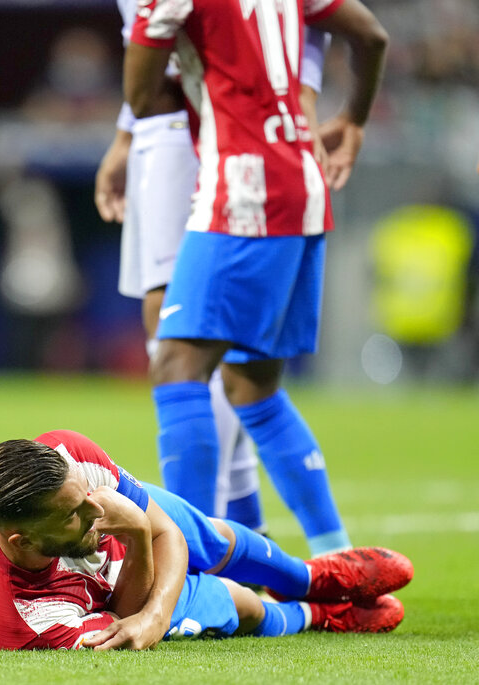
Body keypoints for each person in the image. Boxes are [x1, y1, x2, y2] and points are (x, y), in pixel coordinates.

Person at [126, 0, 388, 556]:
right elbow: (373, 36)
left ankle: (193, 566)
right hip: (302, 180)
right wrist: (355, 119)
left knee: (176, 364)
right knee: (253, 384)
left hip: (244, 187)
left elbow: (141, 99)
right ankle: (339, 560)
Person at [0, 430, 413, 650]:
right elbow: (127, 616)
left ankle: (311, 576)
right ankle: (316, 613)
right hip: (108, 594)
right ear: (23, 542)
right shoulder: (26, 620)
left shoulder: (73, 462)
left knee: (210, 538)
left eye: (85, 494)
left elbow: (168, 533)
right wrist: (138, 535)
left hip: (131, 538)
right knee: (240, 602)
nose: (96, 509)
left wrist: (156, 613)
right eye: (74, 513)